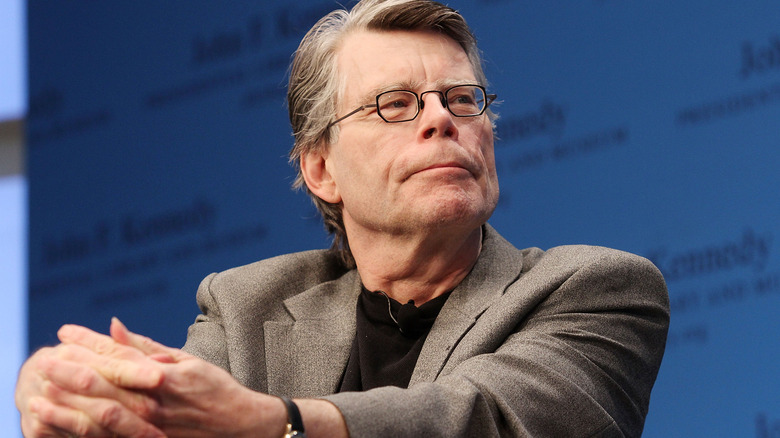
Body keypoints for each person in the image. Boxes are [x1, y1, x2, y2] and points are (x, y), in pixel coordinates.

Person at [15, 0, 670, 436]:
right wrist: (71, 392)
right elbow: (171, 415)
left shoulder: (597, 289)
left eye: (462, 98)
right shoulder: (247, 307)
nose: (442, 119)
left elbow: (484, 419)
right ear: (320, 168)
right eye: (396, 104)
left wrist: (278, 423)